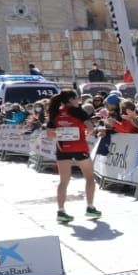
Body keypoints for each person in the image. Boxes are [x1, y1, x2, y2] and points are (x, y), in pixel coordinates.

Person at [46, 89, 100, 224]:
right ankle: (90, 208)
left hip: (62, 148)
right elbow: (90, 127)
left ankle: (61, 211)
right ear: (71, 100)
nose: (78, 101)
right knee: (89, 177)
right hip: (79, 147)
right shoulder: (79, 111)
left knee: (63, 181)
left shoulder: (55, 113)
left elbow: (50, 134)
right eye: (76, 98)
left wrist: (63, 134)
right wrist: (82, 136)